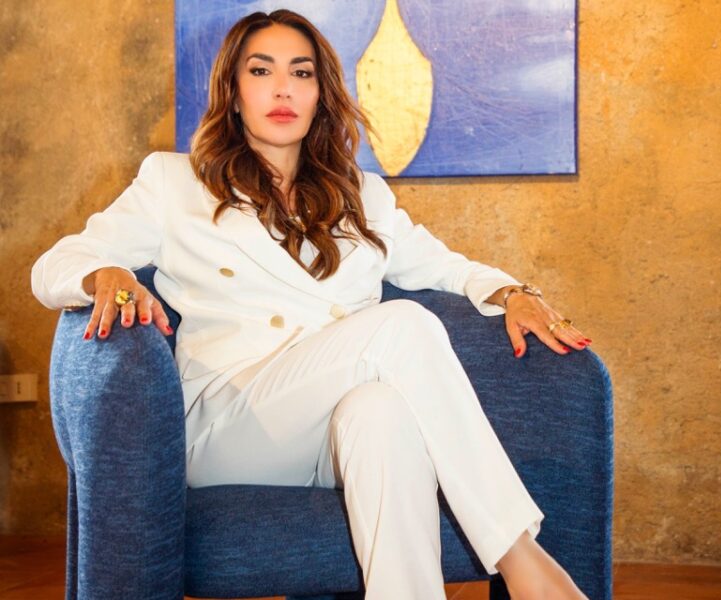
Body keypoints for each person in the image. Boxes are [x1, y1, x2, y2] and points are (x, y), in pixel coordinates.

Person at [31, 10, 591, 600]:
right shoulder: (175, 183)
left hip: (326, 437)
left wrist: (514, 294)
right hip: (228, 430)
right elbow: (54, 265)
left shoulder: (364, 196)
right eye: (261, 71)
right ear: (233, 91)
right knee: (402, 325)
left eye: (301, 73)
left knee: (383, 413)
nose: (283, 89)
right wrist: (107, 273)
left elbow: (448, 266)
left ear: (321, 93)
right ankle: (522, 560)